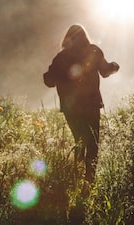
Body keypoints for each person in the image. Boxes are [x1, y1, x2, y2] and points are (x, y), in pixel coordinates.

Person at [43, 24, 119, 182]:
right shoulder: (93, 51)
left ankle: (76, 179)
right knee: (93, 143)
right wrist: (114, 67)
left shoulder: (61, 57)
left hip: (71, 108)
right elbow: (105, 71)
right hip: (91, 105)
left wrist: (59, 76)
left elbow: (49, 81)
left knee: (79, 140)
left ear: (67, 38)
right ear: (85, 36)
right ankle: (89, 180)